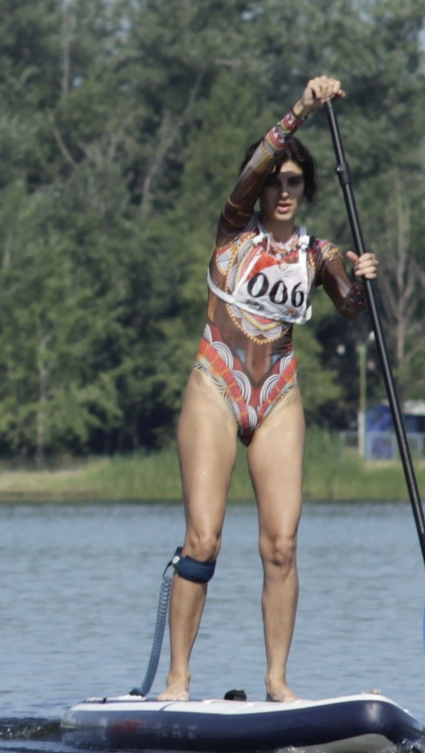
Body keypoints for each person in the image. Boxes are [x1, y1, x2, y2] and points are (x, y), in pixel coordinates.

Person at [159, 75, 379, 703]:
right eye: (275, 181)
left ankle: (277, 681)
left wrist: (362, 278)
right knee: (204, 538)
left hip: (278, 394)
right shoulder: (234, 229)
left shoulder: (317, 253)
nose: (283, 191)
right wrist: (303, 109)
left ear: (306, 190)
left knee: (281, 546)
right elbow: (257, 162)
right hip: (216, 385)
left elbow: (350, 307)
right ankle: (178, 679)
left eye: (294, 182)